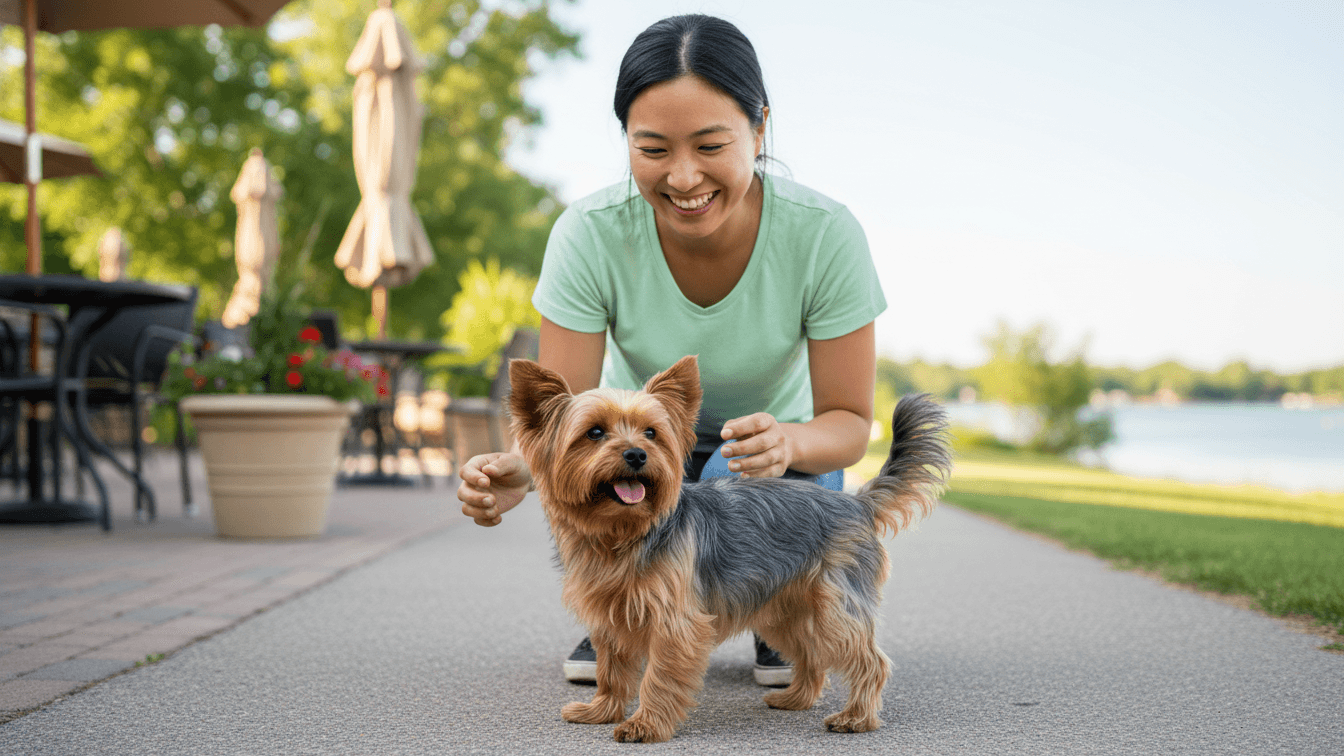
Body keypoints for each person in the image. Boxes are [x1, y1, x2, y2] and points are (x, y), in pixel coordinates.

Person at [456, 14, 886, 687]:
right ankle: (624, 616)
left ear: (760, 129)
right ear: (625, 139)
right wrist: (518, 471)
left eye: (711, 145)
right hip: (642, 443)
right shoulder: (588, 235)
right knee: (619, 474)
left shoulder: (825, 235)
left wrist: (791, 445)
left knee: (724, 490)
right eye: (653, 149)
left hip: (778, 459)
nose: (684, 178)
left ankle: (773, 600)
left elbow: (850, 425)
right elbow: (557, 414)